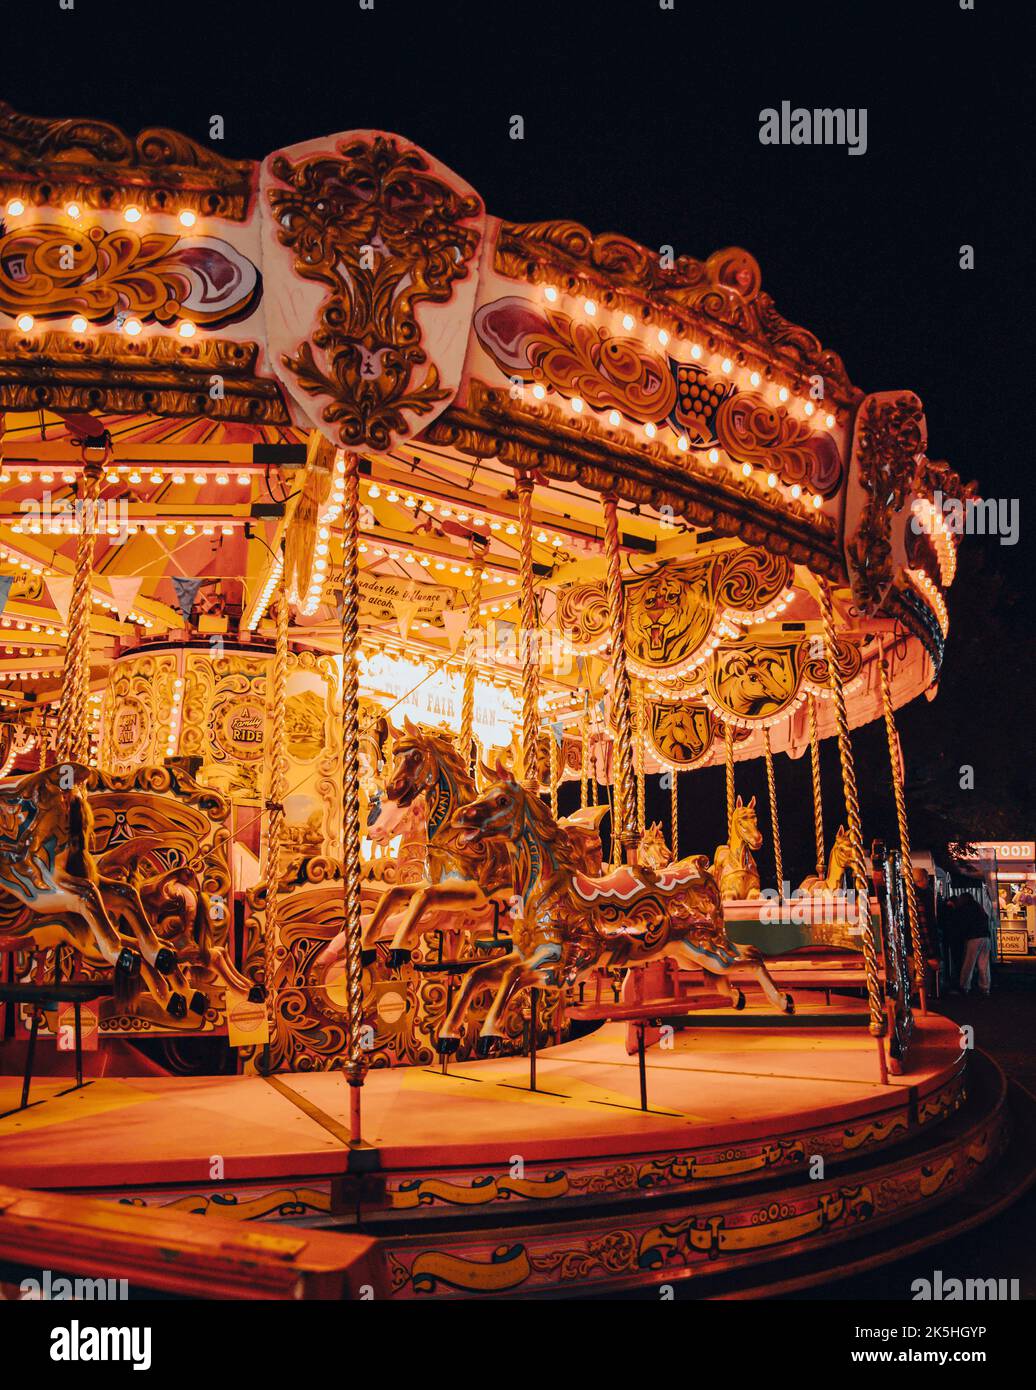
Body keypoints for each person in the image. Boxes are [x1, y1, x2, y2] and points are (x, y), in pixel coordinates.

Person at [955, 891, 992, 996]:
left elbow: (963, 924)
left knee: (969, 963)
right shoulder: (978, 907)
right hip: (985, 937)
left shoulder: (965, 909)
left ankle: (965, 986)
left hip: (974, 937)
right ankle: (985, 987)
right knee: (984, 964)